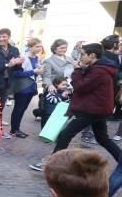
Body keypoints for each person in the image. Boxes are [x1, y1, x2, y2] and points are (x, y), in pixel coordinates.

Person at [30, 43, 121, 171]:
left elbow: (80, 87)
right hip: (96, 109)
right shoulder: (98, 68)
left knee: (65, 135)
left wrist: (77, 70)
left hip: (91, 110)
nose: (80, 57)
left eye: (83, 54)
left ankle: (51, 165)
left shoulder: (99, 71)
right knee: (103, 138)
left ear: (92, 55)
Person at [0, 28, 24, 136]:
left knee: (0, 108)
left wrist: (19, 63)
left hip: (7, 83)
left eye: (4, 37)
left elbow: (17, 69)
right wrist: (8, 65)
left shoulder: (14, 50)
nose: (1, 39)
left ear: (8, 37)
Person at [8, 38, 44, 138]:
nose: (39, 48)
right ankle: (14, 130)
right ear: (30, 47)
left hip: (31, 87)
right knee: (18, 109)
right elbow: (16, 73)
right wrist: (34, 72)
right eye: (37, 46)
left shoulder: (36, 57)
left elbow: (35, 71)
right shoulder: (22, 57)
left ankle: (17, 129)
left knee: (23, 109)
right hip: (23, 87)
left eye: (40, 46)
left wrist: (39, 71)